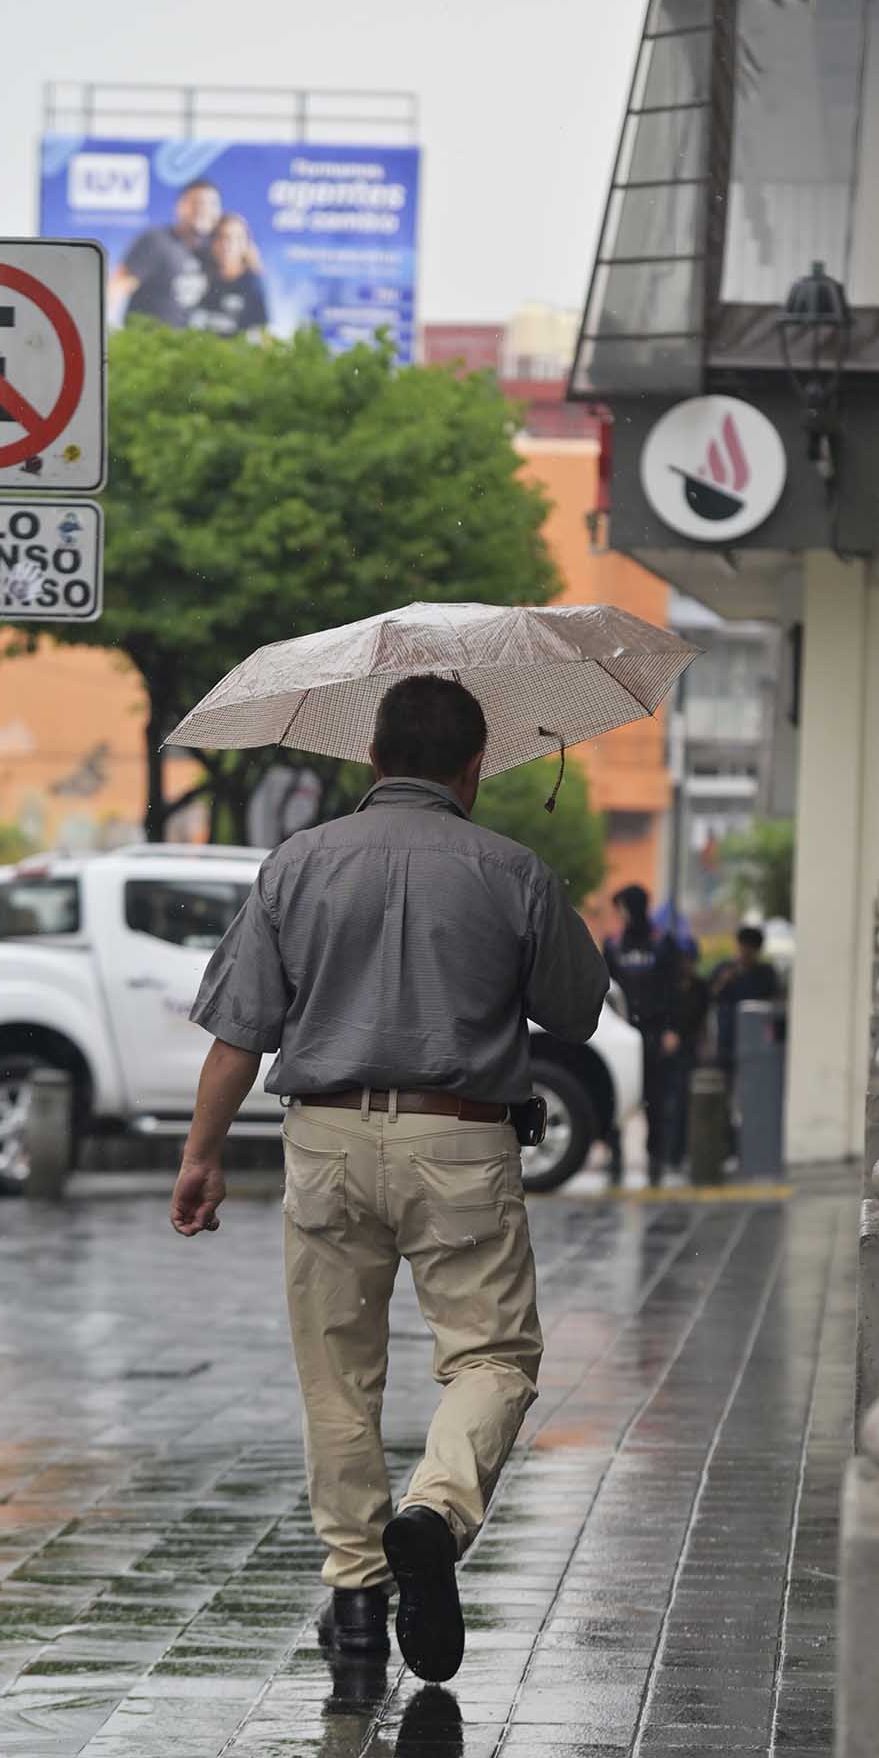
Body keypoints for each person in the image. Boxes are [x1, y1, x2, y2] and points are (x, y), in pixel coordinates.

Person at [170, 674, 608, 1683]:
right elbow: (578, 1008)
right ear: (472, 770)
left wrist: (199, 1157)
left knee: (337, 1376)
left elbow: (239, 1033)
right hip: (460, 1140)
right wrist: (537, 899)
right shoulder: (513, 870)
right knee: (491, 1355)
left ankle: (357, 1604)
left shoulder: (296, 864)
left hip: (322, 1137)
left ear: (373, 761)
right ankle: (435, 1510)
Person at [603, 884, 681, 1186]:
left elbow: (673, 989)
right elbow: (604, 988)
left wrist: (672, 1028)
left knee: (655, 1098)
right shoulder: (613, 944)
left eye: (622, 905)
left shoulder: (662, 943)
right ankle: (615, 1156)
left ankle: (655, 1157)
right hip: (621, 1033)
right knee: (615, 1094)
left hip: (654, 1032)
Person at [111, 177, 224, 328]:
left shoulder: (213, 251)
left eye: (212, 204)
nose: (204, 209)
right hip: (150, 345)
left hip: (188, 346)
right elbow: (117, 287)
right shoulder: (156, 241)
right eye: (196, 202)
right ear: (180, 206)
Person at [710, 924, 780, 1144]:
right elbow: (710, 995)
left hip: (755, 1046)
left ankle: (752, 1140)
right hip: (727, 1043)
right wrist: (726, 979)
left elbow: (773, 1003)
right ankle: (727, 1142)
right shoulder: (725, 969)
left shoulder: (764, 974)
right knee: (724, 1096)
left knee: (753, 1096)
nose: (745, 954)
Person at [663, 941, 710, 1175]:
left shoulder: (700, 988)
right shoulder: (668, 987)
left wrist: (680, 1035)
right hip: (667, 1051)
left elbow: (700, 1018)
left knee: (684, 1102)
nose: (686, 965)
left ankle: (679, 1153)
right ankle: (667, 1153)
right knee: (667, 1104)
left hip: (688, 1050)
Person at [186, 213, 270, 336]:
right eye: (221, 237)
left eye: (235, 239)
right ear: (212, 242)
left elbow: (262, 332)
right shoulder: (199, 275)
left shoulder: (253, 283)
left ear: (245, 244)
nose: (227, 245)